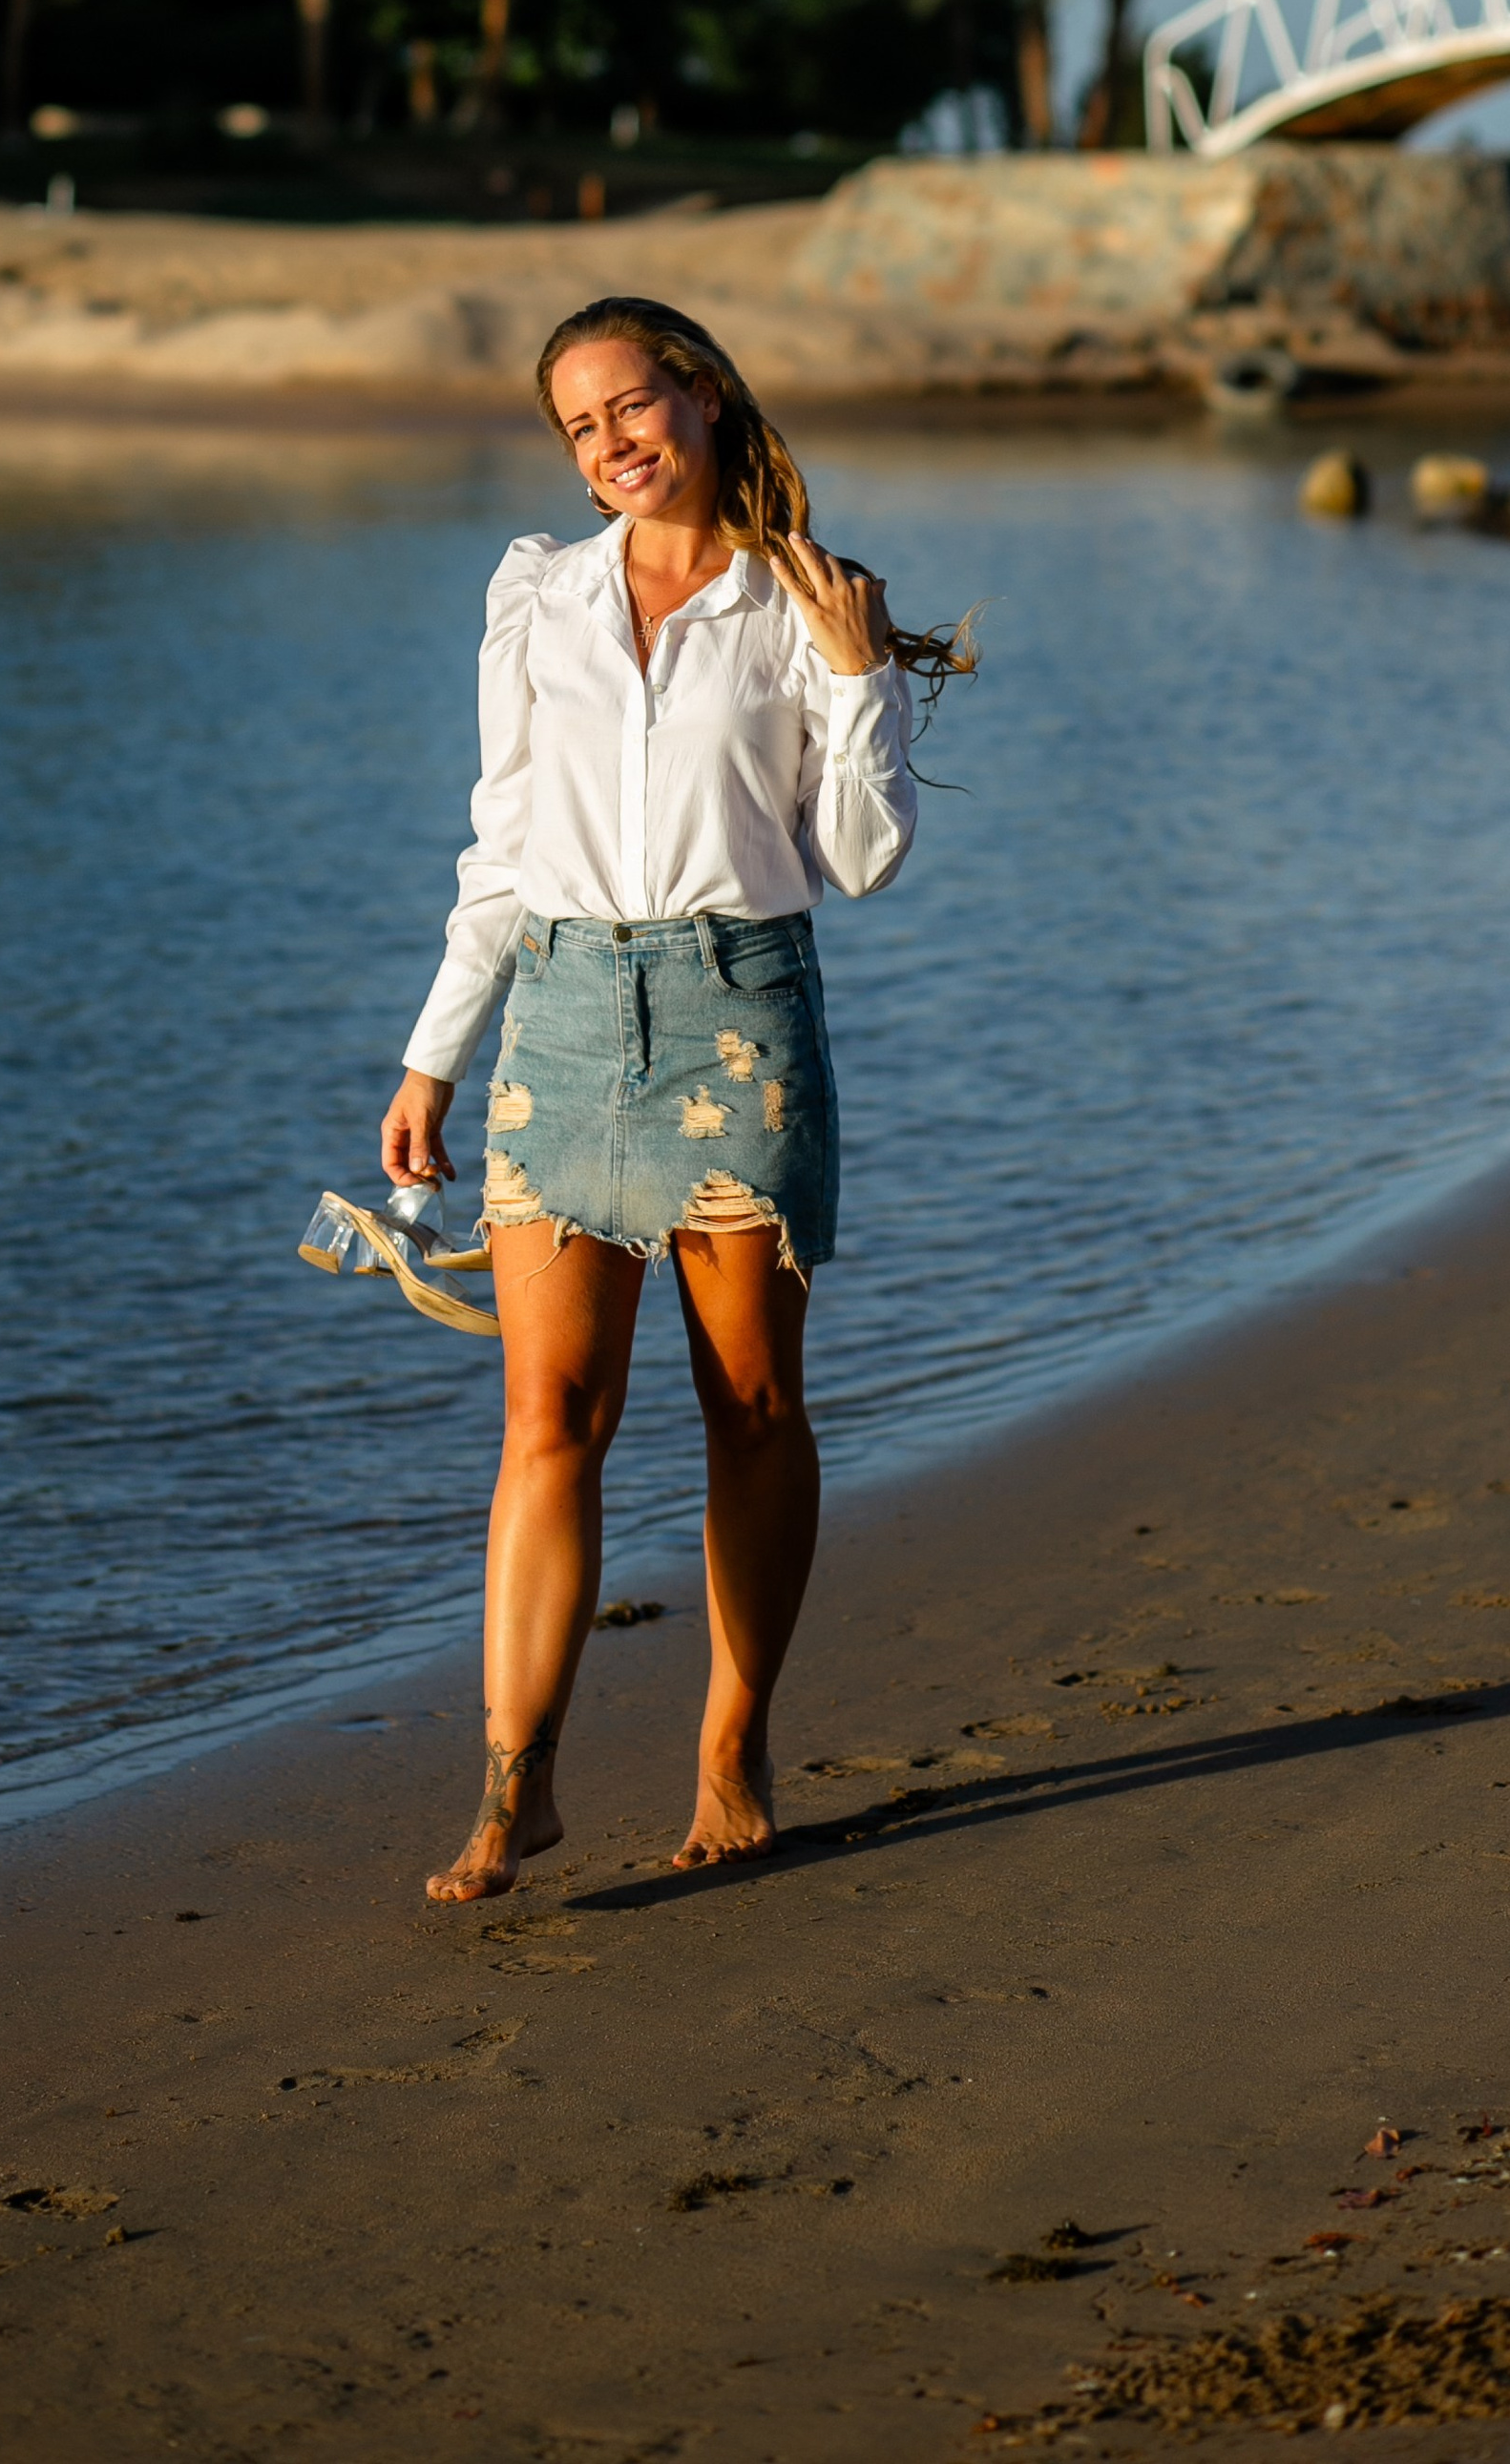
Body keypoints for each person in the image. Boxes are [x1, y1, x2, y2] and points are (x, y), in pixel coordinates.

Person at [381, 295, 973, 1905]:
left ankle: (732, 1748)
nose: (610, 446)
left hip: (736, 1018)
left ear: (703, 398)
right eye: (580, 428)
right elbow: (500, 850)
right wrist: (437, 1051)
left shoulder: (808, 604)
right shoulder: (534, 600)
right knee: (546, 1420)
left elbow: (863, 859)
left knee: (749, 1407)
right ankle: (517, 1785)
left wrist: (857, 680)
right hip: (561, 1024)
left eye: (632, 407)